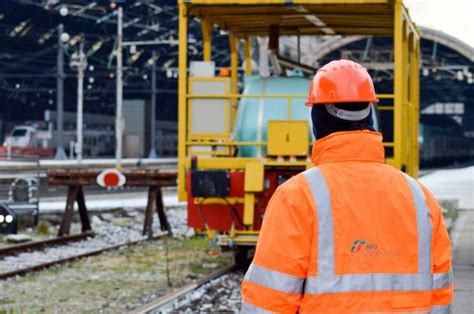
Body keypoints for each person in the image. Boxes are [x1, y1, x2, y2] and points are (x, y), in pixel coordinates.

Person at [240, 59, 453, 313]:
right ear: (369, 116)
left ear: (316, 121)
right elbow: (440, 297)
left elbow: (269, 300)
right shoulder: (420, 197)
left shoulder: (298, 196)